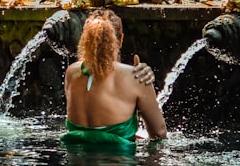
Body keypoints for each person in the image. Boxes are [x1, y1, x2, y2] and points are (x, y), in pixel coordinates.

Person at [61, 9, 167, 147]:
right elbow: (159, 133)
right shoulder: (136, 77)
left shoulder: (71, 72)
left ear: (85, 40)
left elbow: (92, 134)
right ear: (120, 39)